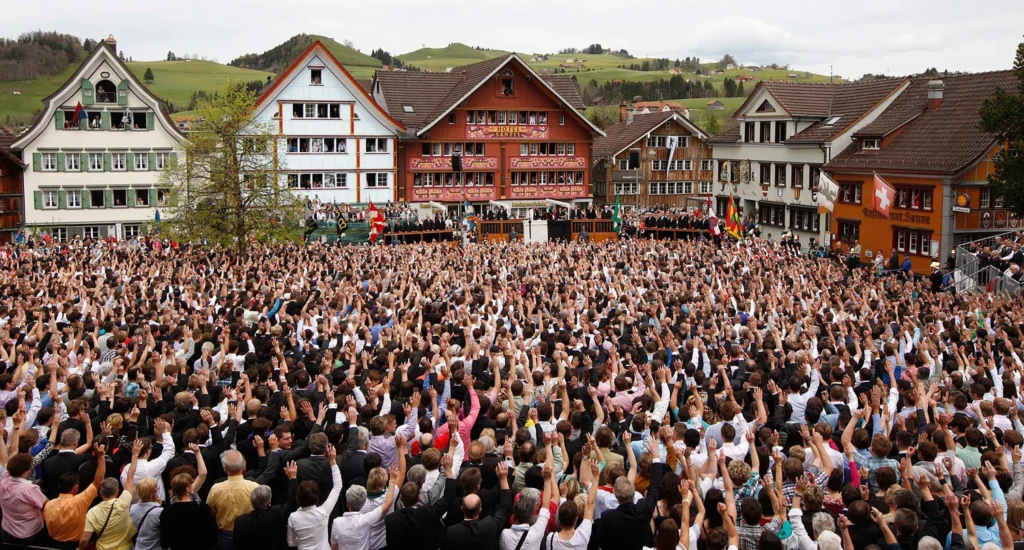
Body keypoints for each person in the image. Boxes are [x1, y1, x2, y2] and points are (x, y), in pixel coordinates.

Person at [80, 439, 142, 550]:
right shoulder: (124, 502)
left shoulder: (93, 512)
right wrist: (135, 455)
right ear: (118, 491)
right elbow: (130, 477)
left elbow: (85, 539)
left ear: (100, 492)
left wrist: (81, 548)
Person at [45, 442, 107, 548]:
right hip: (74, 545)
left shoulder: (48, 505)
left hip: (52, 544)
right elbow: (97, 482)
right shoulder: (80, 501)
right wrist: (101, 457)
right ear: (75, 488)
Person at [442, 460, 513, 550]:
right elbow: (505, 507)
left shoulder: (451, 531)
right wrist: (504, 477)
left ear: (462, 508)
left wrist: (448, 471)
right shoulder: (489, 526)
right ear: (480, 510)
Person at [287, 443, 343, 550]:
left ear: (298, 497)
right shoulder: (323, 512)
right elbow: (337, 486)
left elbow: (291, 543)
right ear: (317, 497)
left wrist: (293, 479)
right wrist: (332, 461)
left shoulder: (293, 518)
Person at [329, 465, 399, 550]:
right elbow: (387, 504)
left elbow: (334, 547)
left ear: (347, 503)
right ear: (362, 502)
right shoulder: (366, 519)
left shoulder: (337, 522)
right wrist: (392, 480)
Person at [207, 450, 260, 550]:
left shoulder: (216, 489)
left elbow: (210, 511)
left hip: (226, 534)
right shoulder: (255, 487)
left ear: (225, 468)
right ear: (244, 466)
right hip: (249, 532)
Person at [160, 470, 219, 549]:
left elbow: (165, 542)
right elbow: (212, 533)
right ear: (187, 488)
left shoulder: (167, 511)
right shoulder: (202, 508)